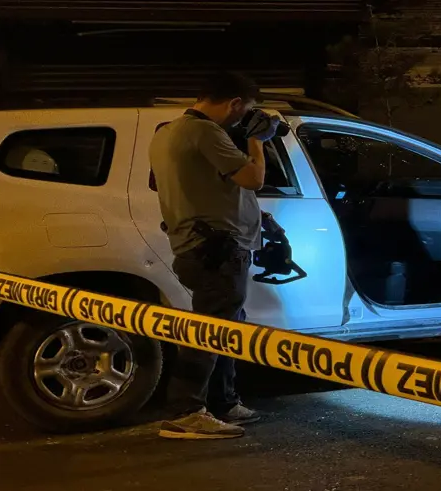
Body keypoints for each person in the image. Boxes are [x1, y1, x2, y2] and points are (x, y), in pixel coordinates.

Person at [149, 71, 280, 439]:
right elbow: (253, 178)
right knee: (209, 331)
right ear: (235, 103)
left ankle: (223, 402)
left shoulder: (165, 133)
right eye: (246, 110)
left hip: (197, 246)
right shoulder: (205, 132)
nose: (245, 118)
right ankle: (185, 412)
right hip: (218, 250)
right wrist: (257, 140)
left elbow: (172, 183)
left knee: (225, 327)